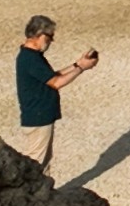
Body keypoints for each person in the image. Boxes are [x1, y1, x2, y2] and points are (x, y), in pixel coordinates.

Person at [13, 15, 98, 166]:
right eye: (50, 36)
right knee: (36, 164)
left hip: (38, 116)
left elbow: (51, 77)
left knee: (42, 161)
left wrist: (77, 64)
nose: (51, 41)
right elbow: (56, 82)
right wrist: (82, 68)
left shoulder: (31, 56)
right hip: (38, 117)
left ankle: (43, 189)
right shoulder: (31, 59)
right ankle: (32, 190)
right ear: (39, 35)